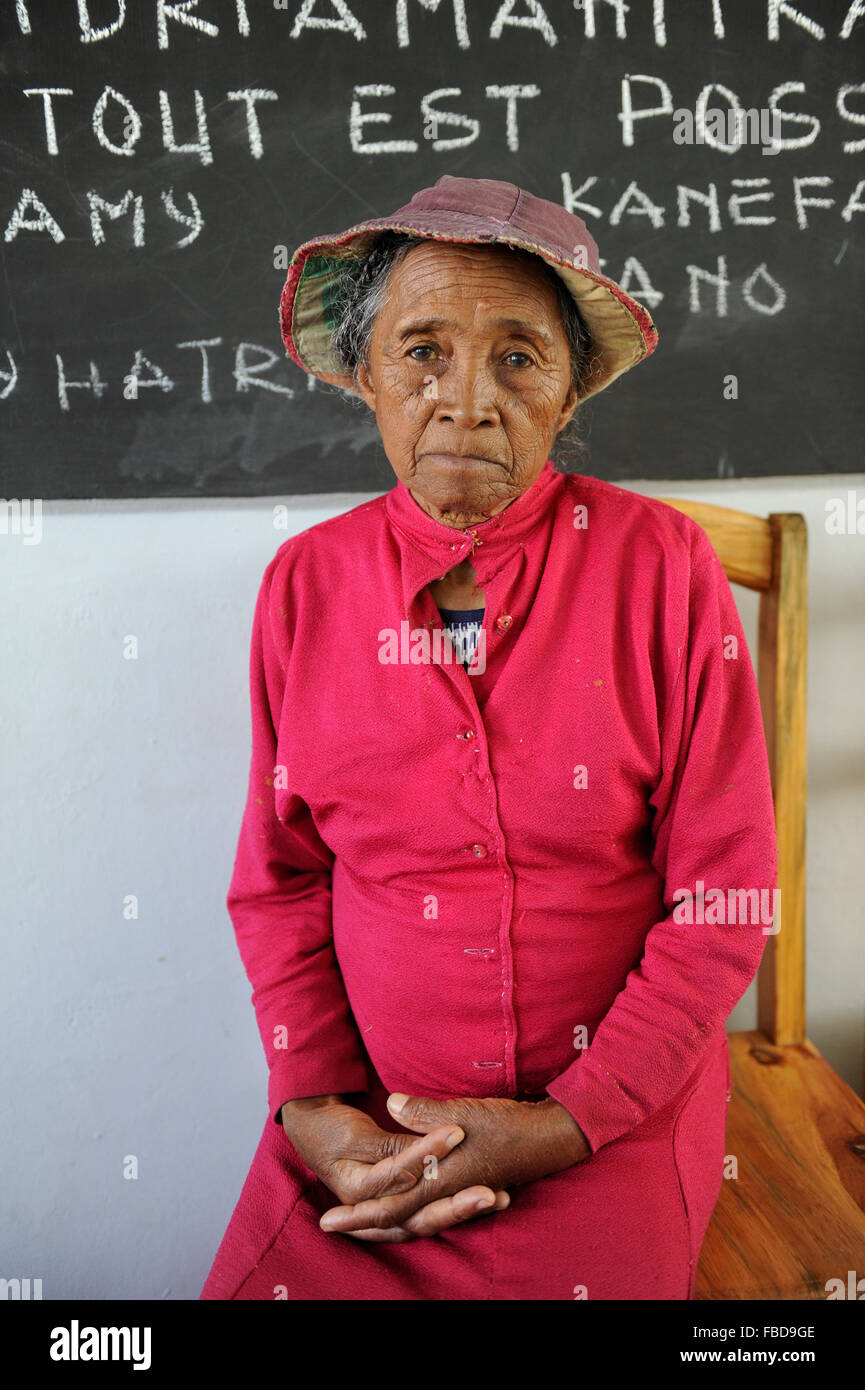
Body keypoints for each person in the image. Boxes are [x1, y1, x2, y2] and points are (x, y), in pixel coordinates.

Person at [200, 175, 777, 1301]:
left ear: (569, 393)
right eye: (422, 350)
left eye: (518, 356)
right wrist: (314, 1106)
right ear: (363, 375)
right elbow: (279, 883)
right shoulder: (306, 585)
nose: (465, 397)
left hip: (606, 1117)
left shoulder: (662, 571)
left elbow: (723, 901)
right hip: (368, 1122)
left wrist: (564, 1122)